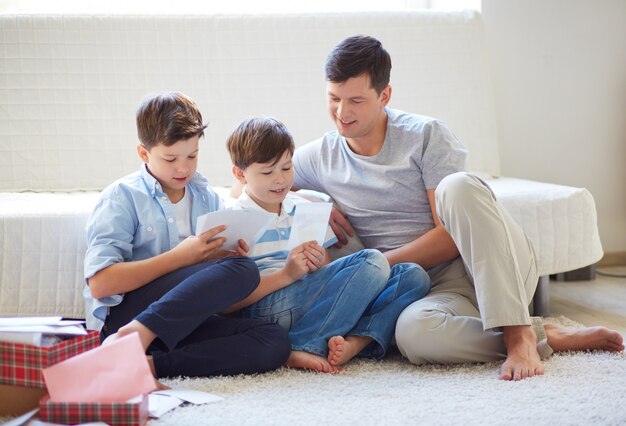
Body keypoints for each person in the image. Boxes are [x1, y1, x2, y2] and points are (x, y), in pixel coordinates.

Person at [291, 35, 624, 381]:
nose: (342, 113)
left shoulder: (426, 135)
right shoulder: (321, 156)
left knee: (458, 186)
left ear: (385, 96)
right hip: (429, 292)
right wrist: (306, 199)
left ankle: (518, 332)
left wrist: (375, 265)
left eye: (356, 100)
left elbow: (451, 238)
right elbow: (249, 184)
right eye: (333, 99)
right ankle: (547, 335)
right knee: (413, 336)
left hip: (489, 265)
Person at [83, 92, 291, 380]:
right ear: (144, 153)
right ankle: (133, 336)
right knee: (243, 270)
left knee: (274, 340)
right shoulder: (122, 197)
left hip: (182, 322)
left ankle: (147, 365)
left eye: (192, 155)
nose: (183, 168)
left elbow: (216, 282)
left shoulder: (206, 197)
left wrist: (222, 259)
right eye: (170, 158)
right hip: (128, 317)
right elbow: (100, 284)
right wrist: (181, 258)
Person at [225, 116, 432, 373]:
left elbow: (327, 277)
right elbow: (226, 304)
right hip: (266, 309)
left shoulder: (305, 209)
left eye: (287, 168)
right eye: (267, 172)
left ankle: (354, 343)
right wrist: (286, 274)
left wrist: (316, 264)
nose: (280, 180)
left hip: (312, 305)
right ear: (239, 174)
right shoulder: (232, 221)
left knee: (413, 276)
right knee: (372, 260)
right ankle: (300, 345)